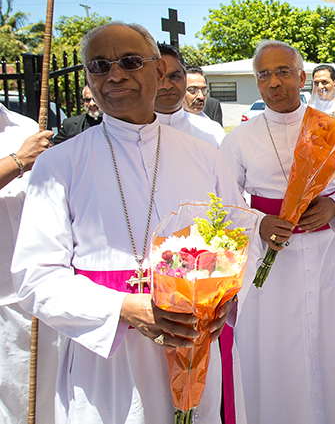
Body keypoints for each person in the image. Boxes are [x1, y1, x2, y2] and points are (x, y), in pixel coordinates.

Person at [11, 22, 245, 424]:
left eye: (129, 61)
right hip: (106, 360)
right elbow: (34, 279)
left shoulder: (205, 157)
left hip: (193, 345)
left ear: (158, 72)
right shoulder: (59, 164)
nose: (114, 74)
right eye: (99, 66)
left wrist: (223, 300)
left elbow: (237, 241)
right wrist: (123, 307)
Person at [219, 40, 335, 423]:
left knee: (330, 348)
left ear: (301, 77)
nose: (273, 82)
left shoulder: (333, 130)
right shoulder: (238, 139)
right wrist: (257, 224)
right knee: (273, 354)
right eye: (264, 75)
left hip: (326, 257)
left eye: (282, 71)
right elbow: (222, 202)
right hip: (268, 266)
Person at [1, 104, 58, 423]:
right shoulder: (24, 148)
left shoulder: (25, 129)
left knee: (41, 405)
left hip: (33, 298)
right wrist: (17, 162)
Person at [155, 44, 225, 148]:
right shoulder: (127, 133)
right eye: (158, 77)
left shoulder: (212, 131)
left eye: (174, 76)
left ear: (184, 78)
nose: (167, 85)